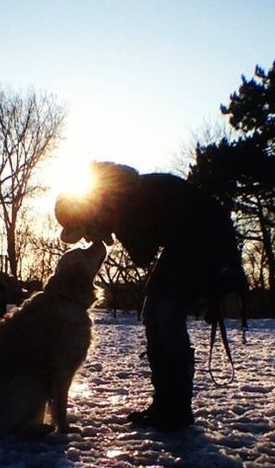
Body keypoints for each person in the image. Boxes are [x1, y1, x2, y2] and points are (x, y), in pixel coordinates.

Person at [54, 161, 247, 430]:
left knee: (165, 316)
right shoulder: (123, 198)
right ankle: (165, 405)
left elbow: (143, 255)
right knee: (154, 312)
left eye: (85, 229)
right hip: (183, 244)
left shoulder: (127, 204)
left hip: (203, 244)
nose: (88, 237)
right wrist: (112, 230)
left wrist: (228, 280)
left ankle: (176, 410)